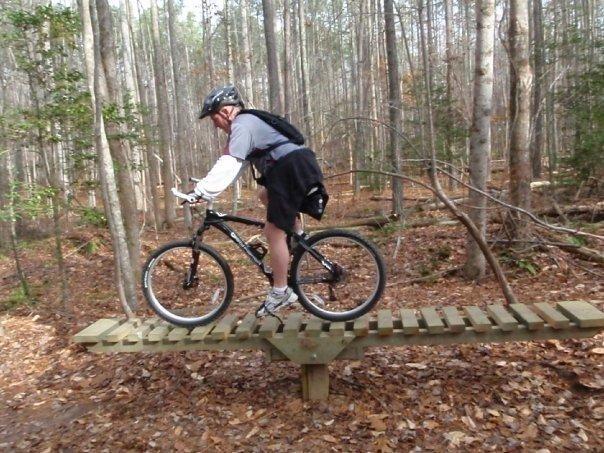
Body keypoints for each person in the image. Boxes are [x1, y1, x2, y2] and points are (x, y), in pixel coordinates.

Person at [188, 84, 326, 317]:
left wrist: (204, 191)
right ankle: (297, 236)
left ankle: (281, 292)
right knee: (264, 196)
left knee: (273, 233)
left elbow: (230, 163)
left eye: (213, 118)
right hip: (293, 168)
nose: (214, 124)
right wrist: (205, 186)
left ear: (225, 111)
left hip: (291, 168)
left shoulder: (242, 124)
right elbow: (232, 163)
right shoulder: (245, 126)